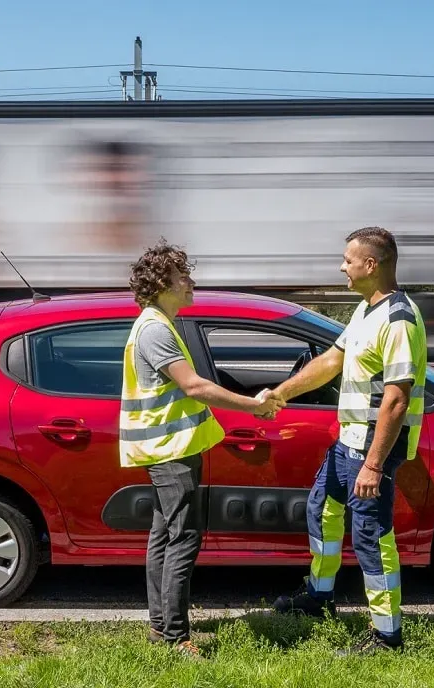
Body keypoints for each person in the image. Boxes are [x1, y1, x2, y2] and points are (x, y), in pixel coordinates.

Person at [119, 238, 285, 656]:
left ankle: (161, 628)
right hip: (170, 451)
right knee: (182, 539)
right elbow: (194, 386)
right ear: (162, 284)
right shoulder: (156, 328)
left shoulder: (157, 323)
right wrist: (254, 406)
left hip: (167, 448)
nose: (191, 282)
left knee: (164, 536)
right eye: (183, 276)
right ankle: (176, 638)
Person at [270, 226, 427, 656]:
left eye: (348, 259)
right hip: (348, 442)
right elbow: (330, 361)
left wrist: (374, 465)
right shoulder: (366, 311)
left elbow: (396, 399)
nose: (343, 266)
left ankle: (387, 635)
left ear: (370, 265)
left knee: (373, 538)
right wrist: (282, 393)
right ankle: (321, 598)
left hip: (373, 450)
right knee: (322, 513)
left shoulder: (399, 319)